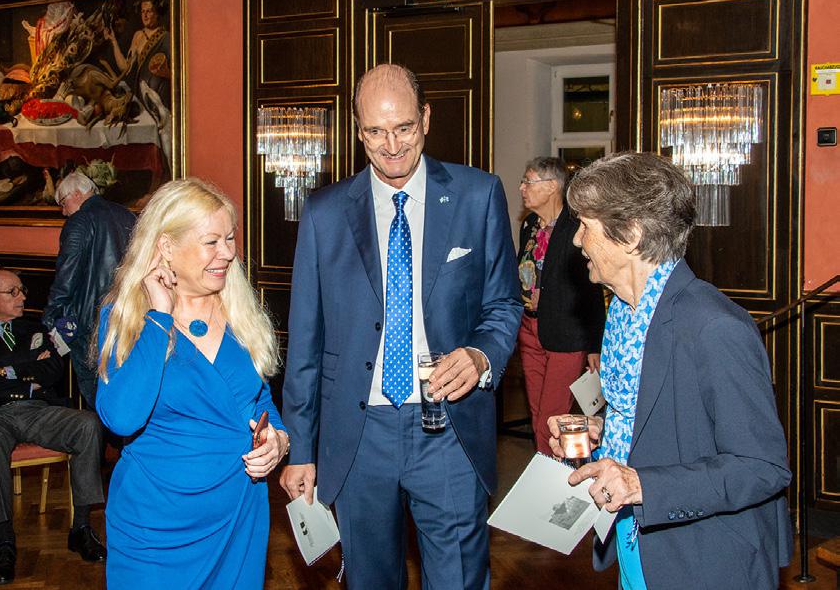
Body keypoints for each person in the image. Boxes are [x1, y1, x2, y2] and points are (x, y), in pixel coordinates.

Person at [279, 64, 522, 589]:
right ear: (357, 130)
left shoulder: (478, 195)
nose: (391, 146)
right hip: (358, 433)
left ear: (426, 119)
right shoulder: (324, 213)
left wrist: (481, 355)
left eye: (404, 128)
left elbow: (504, 304)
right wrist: (301, 448)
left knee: (459, 579)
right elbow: (305, 342)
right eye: (375, 131)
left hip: (450, 428)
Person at [546, 152, 792, 589]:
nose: (578, 241)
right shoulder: (623, 311)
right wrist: (604, 428)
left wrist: (641, 486)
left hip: (703, 560)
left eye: (585, 225)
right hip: (638, 540)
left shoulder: (715, 327)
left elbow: (761, 467)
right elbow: (660, 415)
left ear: (631, 234)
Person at [95, 178, 288, 589]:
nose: (228, 252)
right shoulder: (127, 317)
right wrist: (159, 318)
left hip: (239, 515)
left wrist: (279, 440)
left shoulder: (240, 310)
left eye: (230, 238)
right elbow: (122, 418)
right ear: (166, 246)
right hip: (155, 528)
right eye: (212, 242)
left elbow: (258, 400)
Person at [0, 269, 106, 586]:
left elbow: (53, 369)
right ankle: (4, 541)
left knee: (87, 423)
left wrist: (7, 370)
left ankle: (81, 528)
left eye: (22, 290)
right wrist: (29, 369)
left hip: (38, 409)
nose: (22, 297)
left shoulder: (34, 328)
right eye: (13, 292)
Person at [516, 156, 605, 453]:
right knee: (537, 414)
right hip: (529, 330)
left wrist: (594, 344)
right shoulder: (529, 226)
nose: (522, 188)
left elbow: (590, 289)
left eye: (529, 181)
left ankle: (553, 474)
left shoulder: (575, 228)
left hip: (566, 334)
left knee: (551, 418)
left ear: (552, 186)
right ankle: (549, 468)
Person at [43, 170, 135, 408]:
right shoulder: (128, 215)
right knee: (126, 389)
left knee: (97, 397)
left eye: (63, 203)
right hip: (129, 316)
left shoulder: (79, 221)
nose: (63, 211)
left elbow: (67, 274)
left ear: (76, 194)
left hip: (89, 323)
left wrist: (51, 316)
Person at [104, 0, 171, 109]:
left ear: (156, 13)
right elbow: (125, 68)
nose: (145, 15)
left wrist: (165, 73)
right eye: (143, 11)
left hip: (162, 97)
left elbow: (179, 75)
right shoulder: (138, 36)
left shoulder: (166, 37)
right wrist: (113, 41)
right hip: (142, 95)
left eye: (149, 11)